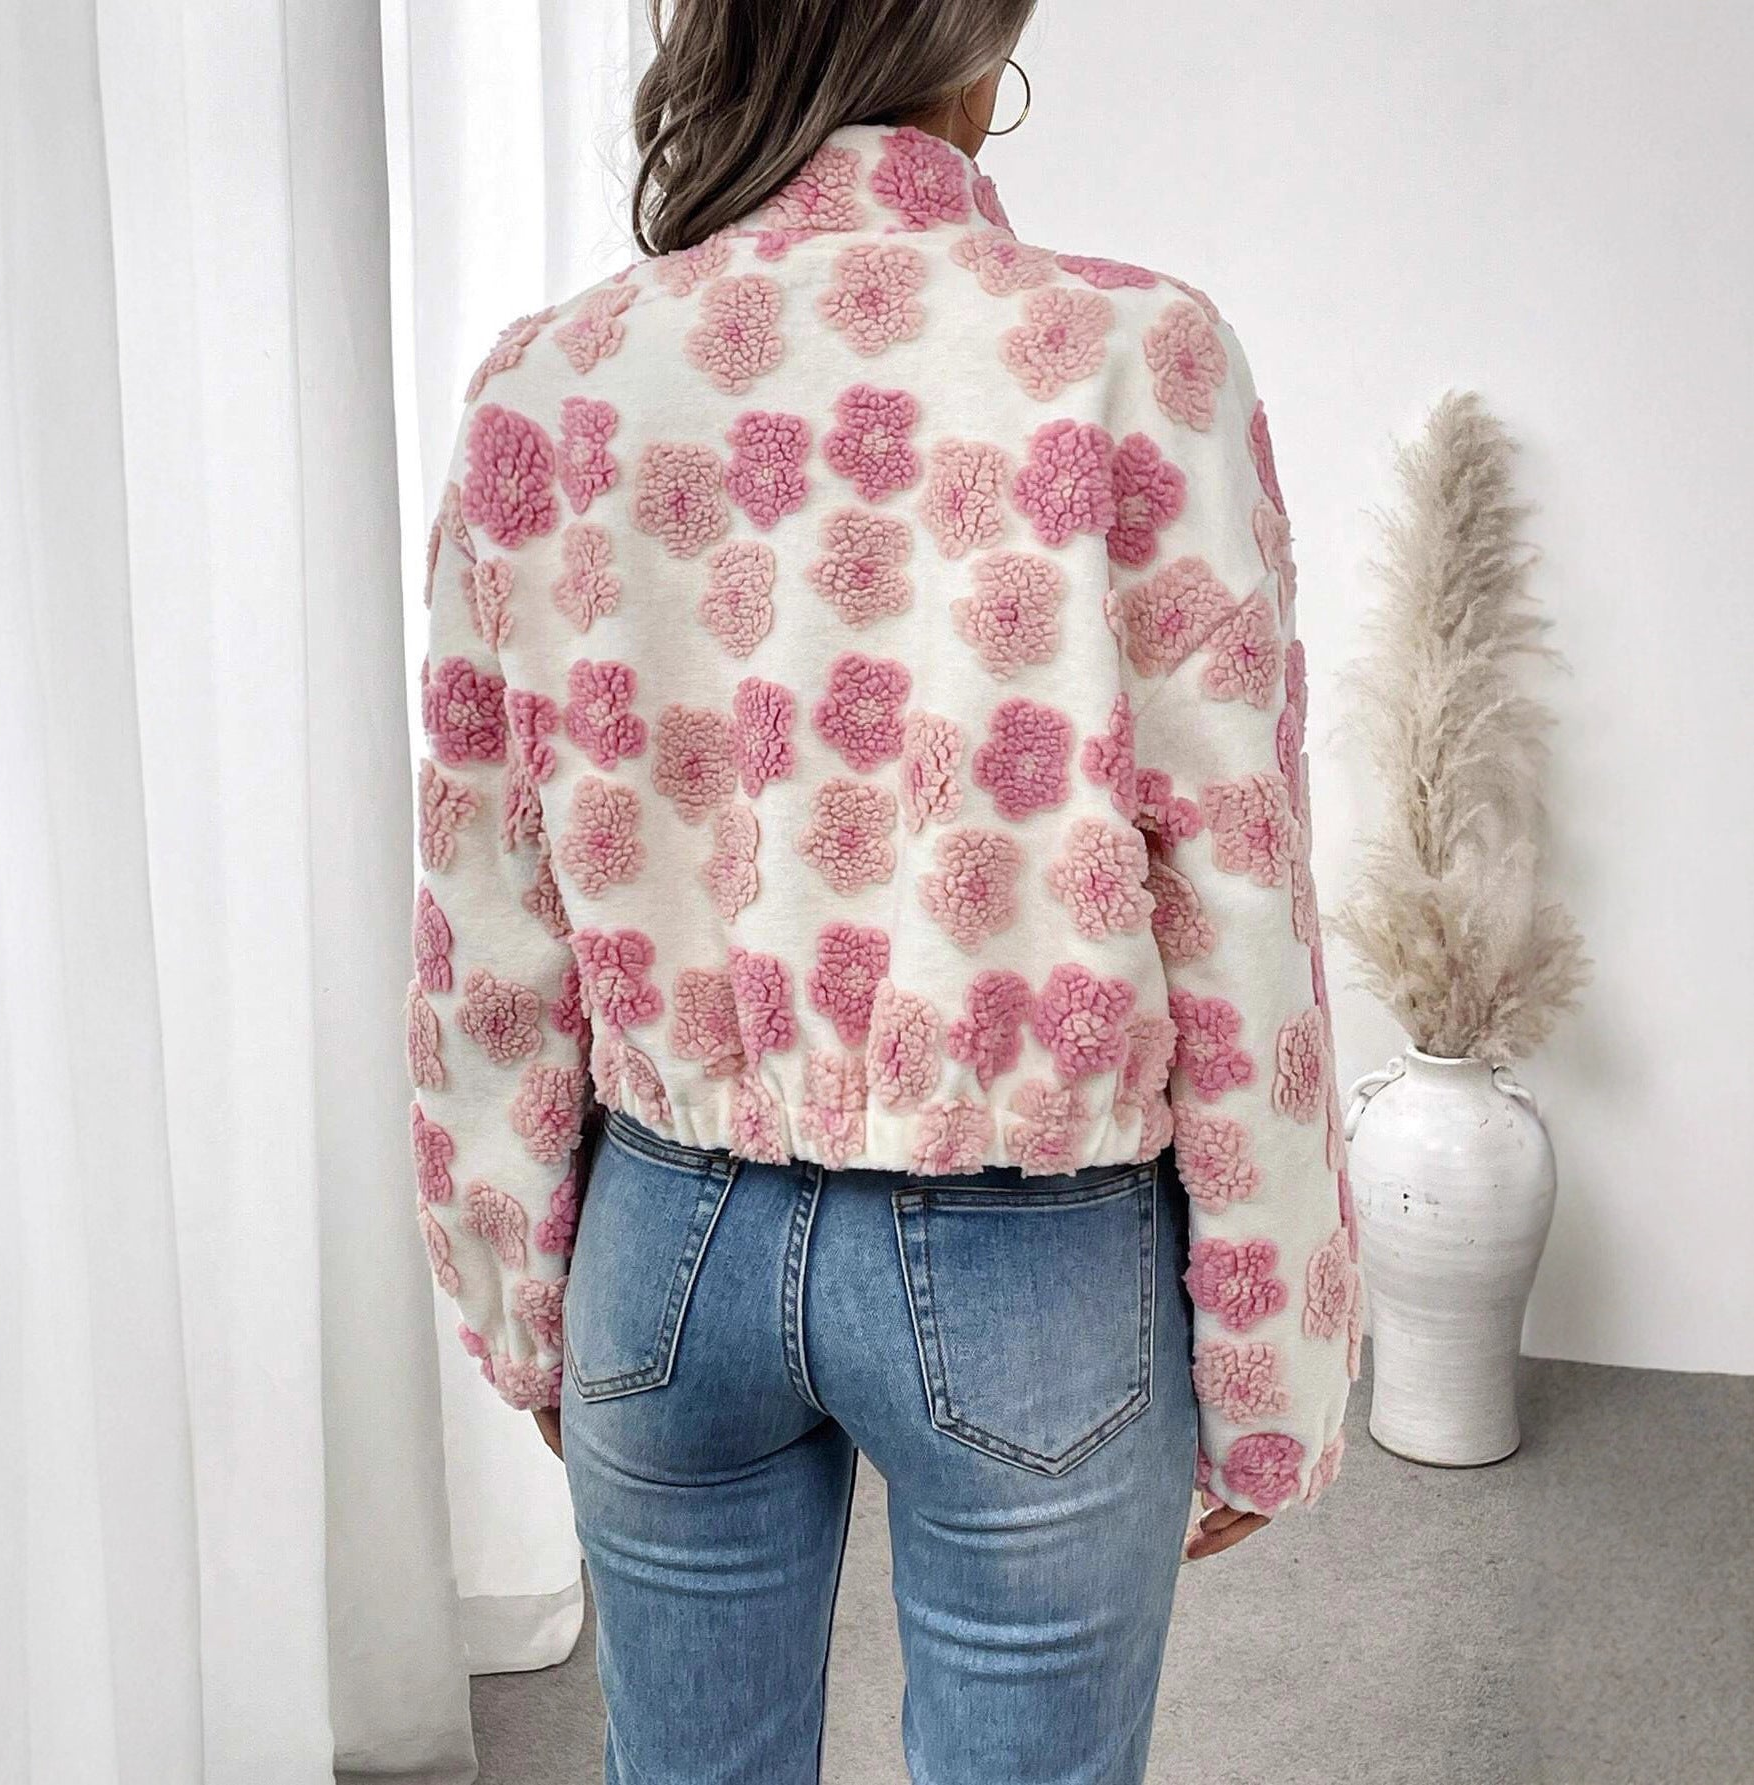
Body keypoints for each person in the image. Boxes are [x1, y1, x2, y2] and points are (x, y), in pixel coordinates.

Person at [406, 2, 1358, 1778]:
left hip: (663, 1237)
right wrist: (1267, 1351)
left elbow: (487, 901)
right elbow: (1232, 890)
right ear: (975, 58)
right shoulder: (1131, 356)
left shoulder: (551, 381)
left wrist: (525, 1295)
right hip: (1032, 1253)